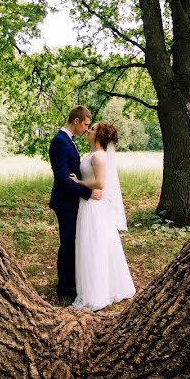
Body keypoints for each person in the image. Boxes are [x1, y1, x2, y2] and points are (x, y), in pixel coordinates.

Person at [69, 122, 135, 310]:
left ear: (98, 136)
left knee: (94, 245)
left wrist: (79, 182)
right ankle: (99, 287)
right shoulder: (93, 154)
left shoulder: (98, 156)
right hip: (88, 204)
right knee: (94, 244)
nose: (88, 131)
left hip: (94, 206)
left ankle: (96, 293)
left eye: (92, 129)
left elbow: (100, 183)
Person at [49, 106, 101, 298]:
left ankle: (72, 282)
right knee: (68, 244)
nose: (87, 129)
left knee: (73, 242)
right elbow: (62, 177)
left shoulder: (69, 141)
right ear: (76, 121)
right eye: (85, 125)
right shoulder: (60, 141)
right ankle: (64, 288)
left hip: (72, 199)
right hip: (65, 201)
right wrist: (87, 193)